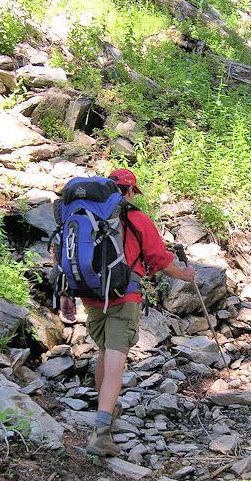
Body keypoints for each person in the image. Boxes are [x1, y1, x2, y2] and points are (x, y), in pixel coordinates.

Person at [80, 168, 195, 456]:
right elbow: (159, 259)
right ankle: (101, 433)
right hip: (123, 296)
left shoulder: (85, 217)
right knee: (116, 360)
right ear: (130, 191)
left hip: (92, 295)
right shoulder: (137, 219)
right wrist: (183, 275)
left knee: (104, 351)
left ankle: (106, 407)